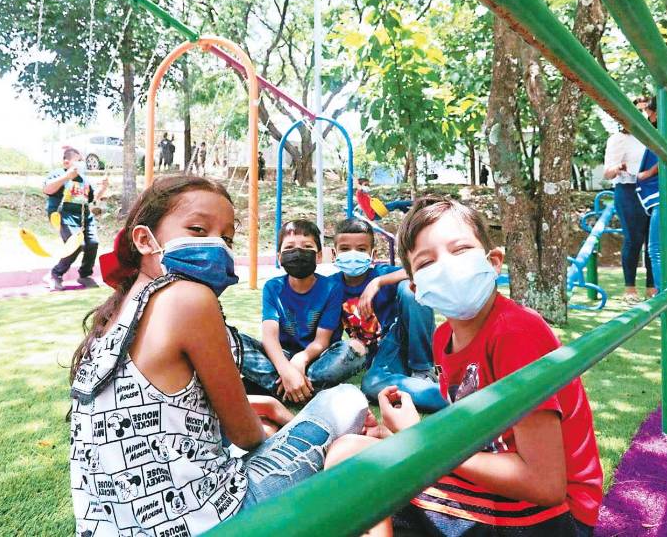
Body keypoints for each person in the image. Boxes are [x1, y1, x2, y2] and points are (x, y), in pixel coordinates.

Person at [70, 175, 369, 536]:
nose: (216, 245)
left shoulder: (114, 316)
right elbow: (246, 436)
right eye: (198, 230)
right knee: (345, 398)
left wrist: (269, 406)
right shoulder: (190, 297)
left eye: (226, 239)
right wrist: (271, 422)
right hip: (219, 522)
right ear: (144, 239)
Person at [326, 196, 603, 536]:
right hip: (504, 493)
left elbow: (545, 484)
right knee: (350, 451)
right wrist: (396, 437)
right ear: (416, 289)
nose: (447, 267)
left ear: (494, 262)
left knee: (355, 470)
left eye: (460, 250)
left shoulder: (516, 333)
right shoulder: (444, 339)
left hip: (556, 516)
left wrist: (418, 440)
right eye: (427, 262)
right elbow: (482, 440)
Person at [238, 220, 366, 403]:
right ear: (279, 257)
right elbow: (269, 338)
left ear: (319, 256)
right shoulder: (273, 287)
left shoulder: (331, 288)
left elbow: (322, 341)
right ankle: (298, 388)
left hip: (317, 359)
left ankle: (277, 387)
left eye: (307, 246)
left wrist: (301, 359)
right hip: (281, 357)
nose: (298, 252)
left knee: (354, 348)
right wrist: (286, 369)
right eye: (289, 247)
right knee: (230, 340)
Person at [330, 217, 446, 412]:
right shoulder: (331, 286)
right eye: (345, 249)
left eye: (361, 249)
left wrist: (378, 282)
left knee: (411, 288)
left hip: (401, 336)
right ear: (334, 253)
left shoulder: (381, 273)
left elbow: (421, 271)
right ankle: (452, 395)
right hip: (384, 357)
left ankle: (423, 370)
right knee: (372, 385)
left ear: (372, 254)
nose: (353, 254)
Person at [603, 100, 655, 303]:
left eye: (645, 110)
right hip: (628, 190)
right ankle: (630, 288)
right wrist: (619, 167)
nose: (643, 114)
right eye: (638, 110)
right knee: (634, 239)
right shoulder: (619, 139)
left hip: (652, 189)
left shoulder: (654, 136)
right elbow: (608, 172)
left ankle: (652, 288)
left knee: (653, 240)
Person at [43, 147, 108, 290]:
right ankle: (55, 274)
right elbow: (47, 189)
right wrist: (67, 177)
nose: (82, 164)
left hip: (84, 216)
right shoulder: (59, 174)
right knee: (76, 245)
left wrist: (102, 189)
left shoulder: (84, 180)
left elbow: (91, 198)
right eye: (78, 161)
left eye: (82, 161)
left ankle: (85, 275)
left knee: (92, 243)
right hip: (64, 215)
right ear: (66, 162)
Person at [636, 97, 661, 290]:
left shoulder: (666, 130)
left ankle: (664, 295)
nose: (647, 116)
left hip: (662, 196)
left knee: (656, 250)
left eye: (648, 112)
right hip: (662, 196)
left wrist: (648, 173)